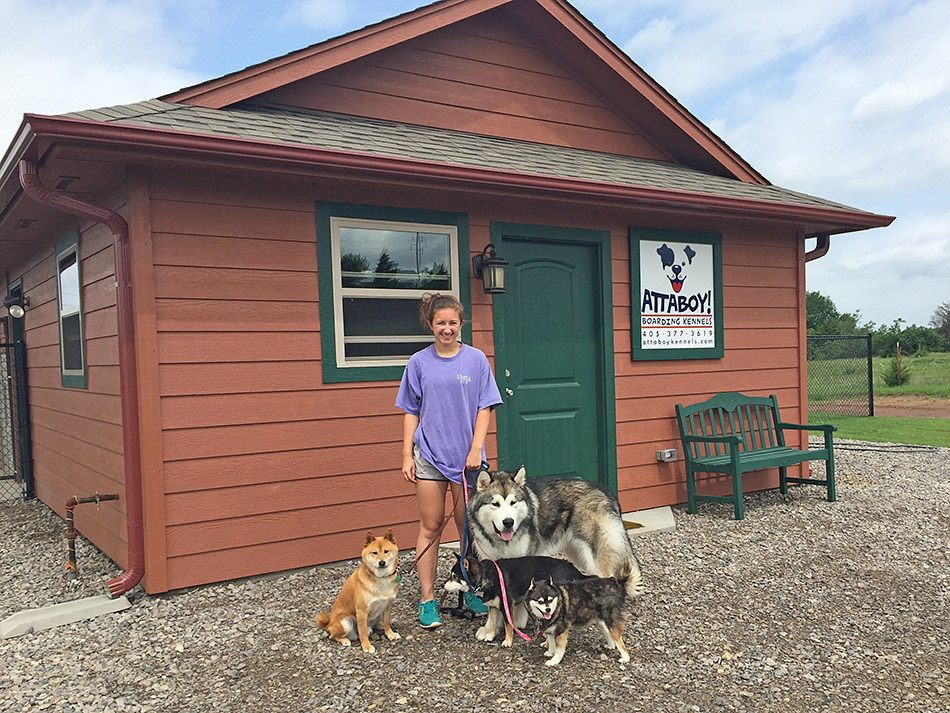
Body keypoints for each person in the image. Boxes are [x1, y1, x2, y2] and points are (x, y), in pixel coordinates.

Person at [395, 293, 503, 628]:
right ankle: (427, 599)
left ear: (461, 324)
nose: (447, 328)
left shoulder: (476, 360)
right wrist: (406, 454)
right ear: (431, 324)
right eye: (440, 323)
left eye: (452, 323)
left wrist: (476, 449)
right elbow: (411, 411)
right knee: (430, 526)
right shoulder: (418, 363)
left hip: (467, 461)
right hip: (429, 456)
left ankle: (471, 589)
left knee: (468, 528)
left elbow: (485, 407)